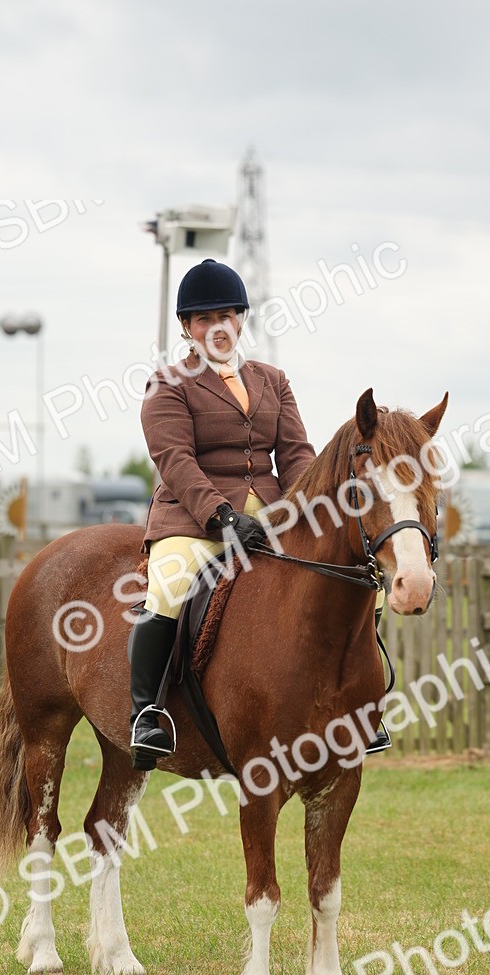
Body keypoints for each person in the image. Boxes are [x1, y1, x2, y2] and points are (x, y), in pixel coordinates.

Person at [128, 258, 317, 764]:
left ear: (241, 320)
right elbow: (176, 461)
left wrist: (308, 506)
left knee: (343, 574)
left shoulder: (272, 379)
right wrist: (222, 517)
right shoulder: (168, 383)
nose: (218, 327)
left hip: (275, 516)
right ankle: (147, 713)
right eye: (205, 319)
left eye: (227, 316)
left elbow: (296, 451)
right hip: (195, 520)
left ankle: (353, 702)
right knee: (168, 586)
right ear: (188, 328)